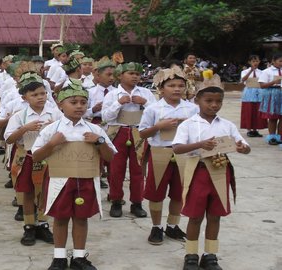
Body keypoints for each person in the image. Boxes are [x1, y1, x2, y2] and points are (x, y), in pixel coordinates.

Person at [32, 80, 116, 270]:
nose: (79, 106)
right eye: (73, 102)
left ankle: (79, 257)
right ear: (60, 104)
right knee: (60, 218)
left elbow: (109, 156)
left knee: (81, 218)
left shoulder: (94, 129)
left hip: (86, 180)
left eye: (83, 102)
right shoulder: (51, 130)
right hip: (59, 181)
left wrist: (100, 141)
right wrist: (52, 144)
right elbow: (36, 156)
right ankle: (59, 257)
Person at [173, 85, 250, 270]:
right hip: (198, 171)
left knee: (215, 215)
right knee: (195, 216)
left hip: (220, 169)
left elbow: (245, 146)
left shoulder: (226, 125)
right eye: (209, 101)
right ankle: (191, 254)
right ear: (197, 101)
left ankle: (210, 255)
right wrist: (200, 144)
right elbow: (177, 148)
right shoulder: (188, 124)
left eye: (218, 101)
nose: (214, 105)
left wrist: (243, 148)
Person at [139, 67, 198, 245]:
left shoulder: (192, 109)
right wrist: (159, 126)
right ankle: (157, 227)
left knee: (179, 193)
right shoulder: (153, 109)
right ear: (161, 88)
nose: (177, 89)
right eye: (171, 85)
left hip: (184, 154)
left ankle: (173, 225)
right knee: (156, 193)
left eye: (181, 85)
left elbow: (199, 131)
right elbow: (142, 134)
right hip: (160, 152)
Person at [4, 72, 61, 246]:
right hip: (27, 157)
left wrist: (54, 129)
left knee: (44, 191)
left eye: (43, 93)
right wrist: (24, 129)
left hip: (47, 159)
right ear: (25, 98)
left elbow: (64, 131)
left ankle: (43, 224)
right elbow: (9, 139)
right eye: (34, 95)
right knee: (27, 192)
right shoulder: (19, 116)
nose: (40, 97)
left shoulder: (54, 113)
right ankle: (29, 226)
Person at [102, 62, 156, 218]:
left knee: (138, 169)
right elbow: (106, 117)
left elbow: (156, 112)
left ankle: (137, 203)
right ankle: (116, 201)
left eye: (137, 74)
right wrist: (118, 103)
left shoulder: (146, 93)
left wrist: (145, 102)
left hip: (139, 132)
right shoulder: (112, 94)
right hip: (118, 132)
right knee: (116, 169)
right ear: (120, 76)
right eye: (131, 73)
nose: (135, 76)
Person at [86, 59, 117, 189]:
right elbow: (81, 112)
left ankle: (114, 190)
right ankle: (96, 180)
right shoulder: (89, 92)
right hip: (96, 123)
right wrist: (93, 110)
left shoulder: (117, 92)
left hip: (113, 125)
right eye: (108, 75)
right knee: (97, 155)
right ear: (98, 76)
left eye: (113, 75)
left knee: (113, 157)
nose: (111, 78)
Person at [240, 55, 267, 137]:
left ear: (259, 62)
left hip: (259, 91)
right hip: (249, 91)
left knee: (257, 110)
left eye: (257, 61)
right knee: (249, 109)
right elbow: (243, 80)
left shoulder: (261, 72)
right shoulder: (244, 71)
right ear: (249, 62)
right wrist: (250, 71)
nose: (255, 63)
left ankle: (256, 129)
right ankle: (249, 129)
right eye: (253, 61)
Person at [258, 53, 282, 145]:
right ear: (273, 61)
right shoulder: (267, 71)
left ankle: (280, 136)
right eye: (280, 61)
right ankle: (272, 137)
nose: (281, 63)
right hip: (272, 94)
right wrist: (274, 82)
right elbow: (262, 85)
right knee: (273, 118)